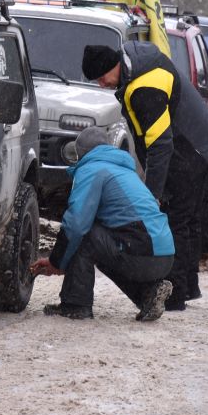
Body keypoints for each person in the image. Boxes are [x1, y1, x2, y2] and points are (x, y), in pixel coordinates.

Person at [81, 40, 208, 311]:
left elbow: (160, 145)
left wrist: (153, 195)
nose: (102, 84)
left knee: (175, 222)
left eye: (102, 78)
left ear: (114, 66)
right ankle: (189, 287)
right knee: (189, 220)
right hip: (197, 145)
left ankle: (175, 295)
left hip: (189, 152)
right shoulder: (137, 65)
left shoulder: (145, 87)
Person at [30, 127, 176, 321]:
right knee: (107, 248)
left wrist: (57, 262)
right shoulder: (124, 170)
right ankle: (148, 295)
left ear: (80, 153)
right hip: (164, 254)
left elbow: (76, 225)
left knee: (86, 236)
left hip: (141, 251)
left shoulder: (92, 169)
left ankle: (75, 304)